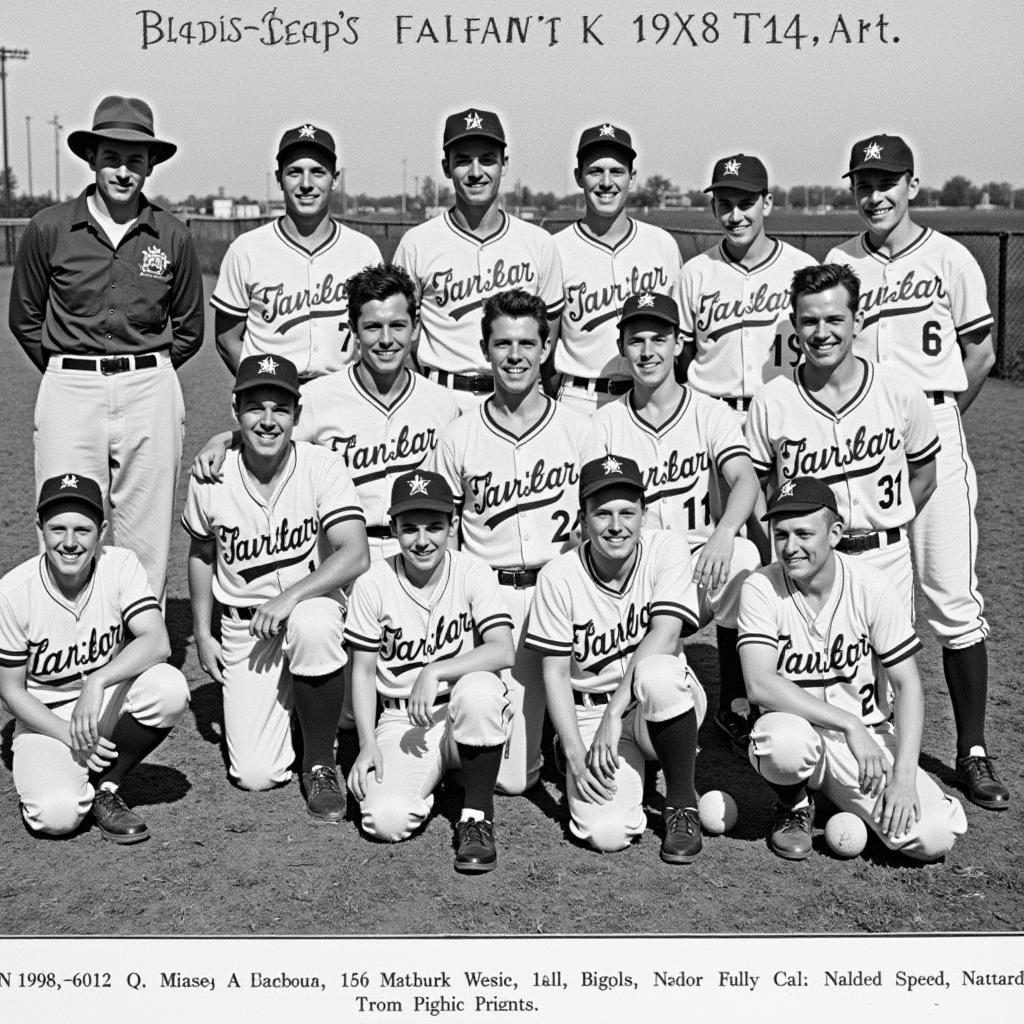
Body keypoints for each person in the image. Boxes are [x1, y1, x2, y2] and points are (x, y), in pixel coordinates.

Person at [826, 133, 1008, 811]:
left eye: (887, 182)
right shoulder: (842, 260)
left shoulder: (950, 257)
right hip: (864, 445)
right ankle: (868, 737)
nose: (875, 195)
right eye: (863, 183)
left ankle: (973, 752)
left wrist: (938, 422)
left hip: (933, 428)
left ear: (912, 185)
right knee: (873, 596)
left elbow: (981, 350)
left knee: (952, 598)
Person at [8, 95, 204, 603]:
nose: (123, 170)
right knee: (67, 521)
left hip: (149, 386)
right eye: (112, 157)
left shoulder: (172, 234)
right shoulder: (50, 228)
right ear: (92, 159)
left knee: (147, 537)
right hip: (71, 385)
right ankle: (66, 653)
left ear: (151, 165)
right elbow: (25, 318)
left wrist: (146, 368)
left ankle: (139, 658)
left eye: (135, 160)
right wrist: (68, 367)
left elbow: (188, 328)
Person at [737, 476, 967, 862]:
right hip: (801, 733)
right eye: (781, 535)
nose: (790, 547)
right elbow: (759, 684)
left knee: (933, 838)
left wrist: (905, 779)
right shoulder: (760, 587)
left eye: (804, 534)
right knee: (781, 742)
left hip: (867, 747)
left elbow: (907, 683)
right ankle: (793, 805)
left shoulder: (871, 586)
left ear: (835, 532)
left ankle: (830, 800)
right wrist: (849, 722)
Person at [428, 289, 603, 795]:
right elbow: (445, 536)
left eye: (528, 343)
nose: (515, 355)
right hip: (494, 603)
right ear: (485, 350)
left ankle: (566, 726)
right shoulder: (459, 435)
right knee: (510, 781)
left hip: (565, 597)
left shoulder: (579, 429)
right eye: (503, 343)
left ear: (546, 349)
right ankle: (531, 735)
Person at [182, 355, 369, 819]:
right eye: (255, 408)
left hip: (309, 612)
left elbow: (355, 553)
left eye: (280, 408)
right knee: (255, 774)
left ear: (297, 415)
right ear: (235, 410)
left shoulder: (321, 464)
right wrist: (203, 634)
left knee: (314, 620)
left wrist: (290, 596)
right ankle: (300, 715)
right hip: (246, 630)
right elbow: (203, 555)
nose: (268, 421)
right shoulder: (210, 476)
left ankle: (320, 760)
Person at [193, 263, 461, 563]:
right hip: (345, 554)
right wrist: (224, 440)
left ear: (415, 327)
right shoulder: (319, 397)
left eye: (397, 325)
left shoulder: (441, 404)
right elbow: (270, 430)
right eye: (372, 327)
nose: (386, 339)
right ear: (353, 331)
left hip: (418, 553)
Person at [592, 291, 762, 754]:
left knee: (746, 555)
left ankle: (736, 700)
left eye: (659, 339)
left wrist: (725, 532)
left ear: (679, 343)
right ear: (623, 347)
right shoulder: (605, 424)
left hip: (697, 568)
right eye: (636, 340)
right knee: (650, 704)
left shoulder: (709, 411)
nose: (648, 352)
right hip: (634, 577)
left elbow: (745, 479)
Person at [525, 455, 708, 861]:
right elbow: (554, 672)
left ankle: (681, 802)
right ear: (583, 519)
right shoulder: (558, 575)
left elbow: (666, 633)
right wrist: (575, 753)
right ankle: (636, 766)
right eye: (602, 513)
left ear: (645, 514)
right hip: (590, 711)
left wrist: (615, 711)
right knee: (606, 833)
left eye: (627, 512)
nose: (616, 525)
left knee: (658, 672)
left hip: (656, 701)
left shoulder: (667, 547)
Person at [0, 474, 189, 844]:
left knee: (168, 688)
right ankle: (60, 775)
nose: (69, 542)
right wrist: (68, 736)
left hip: (101, 702)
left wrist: (97, 681)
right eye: (57, 528)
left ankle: (106, 787)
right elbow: (11, 691)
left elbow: (157, 641)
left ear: (101, 530)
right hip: (44, 719)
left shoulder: (119, 565)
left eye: (82, 530)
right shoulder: (13, 592)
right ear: (40, 527)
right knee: (56, 819)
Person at [344, 471, 515, 872]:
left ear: (453, 525)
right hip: (402, 719)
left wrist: (436, 670)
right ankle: (438, 776)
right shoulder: (374, 581)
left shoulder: (473, 570)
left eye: (435, 527)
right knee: (384, 821)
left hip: (461, 714)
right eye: (410, 529)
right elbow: (364, 672)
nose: (423, 541)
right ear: (394, 527)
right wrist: (367, 742)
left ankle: (476, 815)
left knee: (478, 691)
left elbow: (503, 649)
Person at [745, 263, 939, 612]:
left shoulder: (900, 391)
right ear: (795, 324)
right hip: (807, 563)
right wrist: (777, 548)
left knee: (889, 666)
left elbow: (925, 477)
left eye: (834, 319)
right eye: (809, 321)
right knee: (808, 665)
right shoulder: (772, 400)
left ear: (858, 320)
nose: (822, 333)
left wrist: (889, 524)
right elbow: (753, 488)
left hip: (886, 559)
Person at [394, 107, 563, 410]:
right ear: (446, 167)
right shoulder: (417, 243)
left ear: (504, 165)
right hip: (442, 395)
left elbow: (549, 336)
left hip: (517, 397)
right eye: (463, 161)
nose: (475, 172)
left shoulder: (538, 243)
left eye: (487, 160)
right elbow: (399, 334)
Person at [210, 123, 382, 379]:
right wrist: (260, 386)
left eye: (317, 172)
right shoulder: (247, 249)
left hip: (343, 395)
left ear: (335, 179)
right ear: (279, 178)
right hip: (273, 399)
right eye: (294, 172)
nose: (306, 184)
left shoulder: (363, 251)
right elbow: (227, 339)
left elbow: (378, 332)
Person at [552, 123, 684, 414]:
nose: (606, 182)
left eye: (617, 171)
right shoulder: (556, 249)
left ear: (632, 177)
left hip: (648, 398)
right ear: (578, 177)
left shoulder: (661, 245)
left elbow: (678, 334)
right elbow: (545, 345)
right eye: (595, 171)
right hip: (579, 398)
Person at [680, 154, 816, 417]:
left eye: (745, 204)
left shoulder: (802, 267)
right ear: (713, 208)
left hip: (785, 411)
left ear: (766, 204)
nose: (735, 216)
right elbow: (682, 355)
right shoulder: (695, 272)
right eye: (725, 205)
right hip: (711, 413)